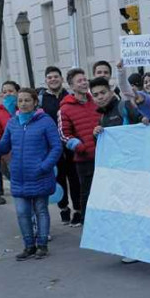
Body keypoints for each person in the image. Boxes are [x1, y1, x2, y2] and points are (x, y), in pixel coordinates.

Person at [0, 88, 61, 260]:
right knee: (22, 212)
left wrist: (44, 166)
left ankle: (42, 245)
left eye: (27, 100)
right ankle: (29, 246)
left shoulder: (45, 122)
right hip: (19, 177)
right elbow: (4, 147)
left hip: (39, 175)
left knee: (41, 211)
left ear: (35, 102)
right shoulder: (13, 123)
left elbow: (56, 147)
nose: (23, 103)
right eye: (20, 100)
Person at [89, 77, 150, 266]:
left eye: (102, 93)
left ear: (110, 92)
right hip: (119, 173)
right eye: (96, 95)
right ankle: (133, 249)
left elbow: (143, 123)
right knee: (127, 211)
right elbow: (104, 148)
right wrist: (97, 135)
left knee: (145, 210)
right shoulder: (102, 117)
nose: (100, 97)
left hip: (139, 170)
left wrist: (144, 119)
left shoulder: (125, 107)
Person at [38, 66, 80, 225]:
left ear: (62, 79)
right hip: (51, 146)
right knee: (58, 177)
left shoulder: (70, 96)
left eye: (56, 76)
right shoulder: (41, 99)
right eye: (50, 77)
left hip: (70, 143)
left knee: (74, 177)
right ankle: (63, 208)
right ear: (46, 80)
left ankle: (78, 209)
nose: (53, 79)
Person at [58, 68, 99, 226]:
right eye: (79, 81)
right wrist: (78, 146)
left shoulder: (96, 101)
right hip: (84, 158)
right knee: (87, 192)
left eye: (85, 80)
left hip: (102, 155)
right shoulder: (65, 108)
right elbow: (63, 134)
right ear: (72, 86)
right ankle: (88, 223)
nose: (83, 83)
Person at [0, 80, 20, 203]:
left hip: (28, 152)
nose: (7, 94)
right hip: (9, 155)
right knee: (17, 186)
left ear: (17, 92)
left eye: (10, 91)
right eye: (4, 92)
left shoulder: (25, 107)